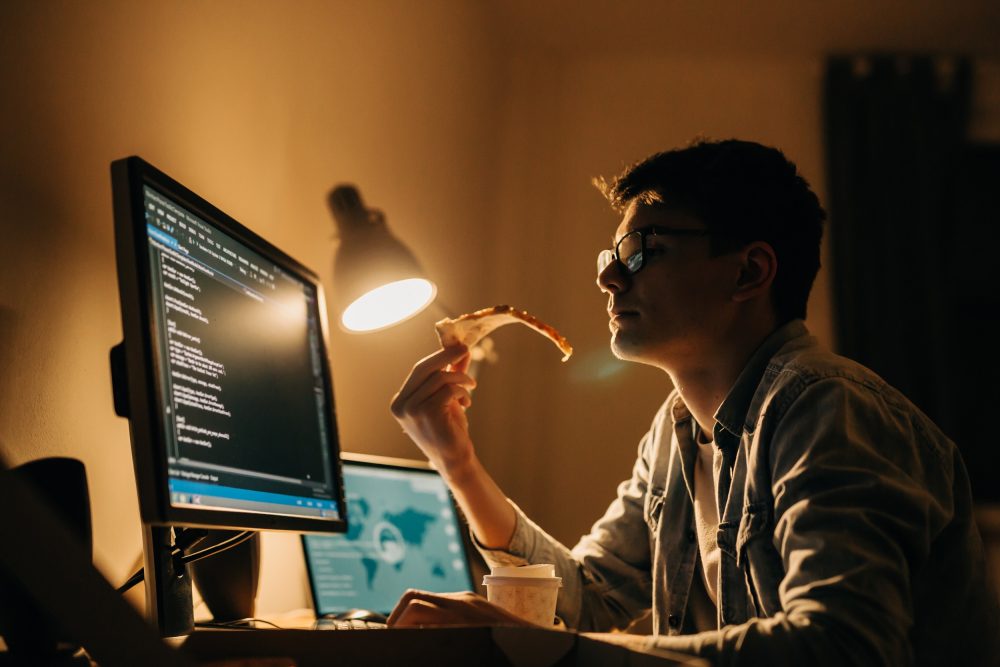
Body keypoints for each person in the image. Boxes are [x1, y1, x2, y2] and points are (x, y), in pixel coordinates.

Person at [386, 139, 1000, 664]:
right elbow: (590, 595)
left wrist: (548, 653)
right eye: (610, 258)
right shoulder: (674, 432)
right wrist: (458, 465)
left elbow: (840, 645)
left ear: (748, 272)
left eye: (640, 250)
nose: (608, 278)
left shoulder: (826, 409)